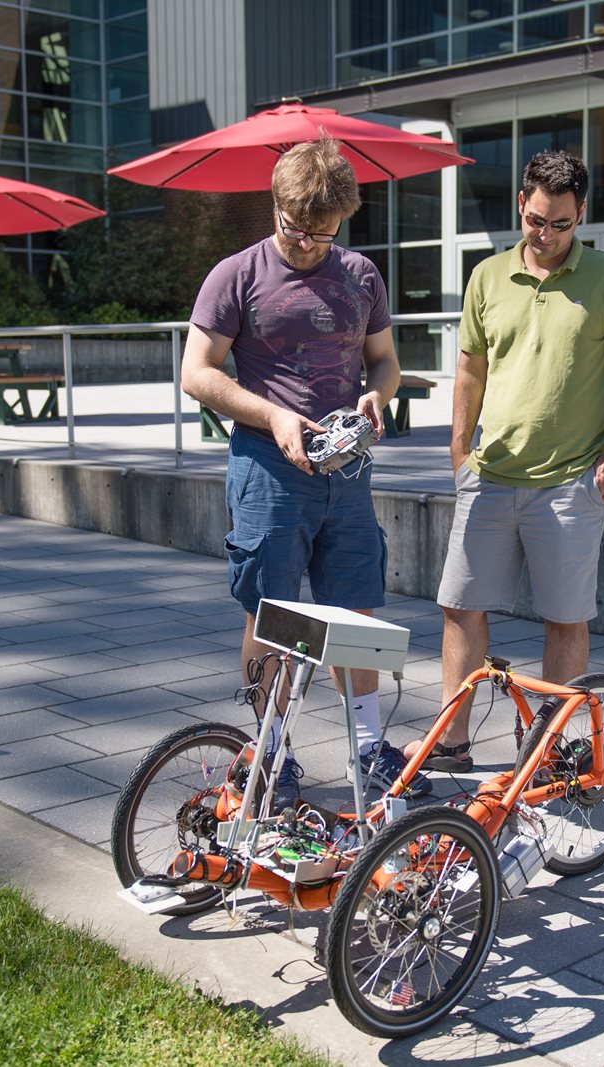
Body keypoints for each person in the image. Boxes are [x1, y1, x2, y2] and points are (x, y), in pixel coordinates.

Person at [180, 135, 424, 810]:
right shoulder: (236, 275)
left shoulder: (361, 275)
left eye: (327, 232)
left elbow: (384, 361)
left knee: (355, 608)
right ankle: (273, 751)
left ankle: (370, 746)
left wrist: (379, 393)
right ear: (276, 205)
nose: (313, 242)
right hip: (268, 468)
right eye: (299, 229)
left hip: (344, 472)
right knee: (274, 613)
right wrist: (276, 417)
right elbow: (196, 373)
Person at [408, 150, 604, 773]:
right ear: (522, 203)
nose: (546, 236)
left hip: (572, 482)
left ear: (582, 217)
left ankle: (548, 752)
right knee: (459, 608)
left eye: (562, 224)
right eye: (537, 220)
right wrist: (459, 450)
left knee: (565, 620)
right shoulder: (488, 277)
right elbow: (470, 367)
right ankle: (453, 744)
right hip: (489, 477)